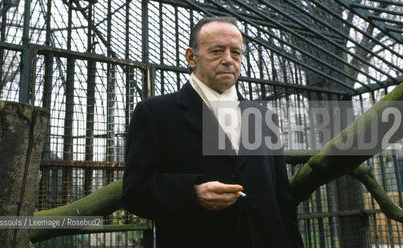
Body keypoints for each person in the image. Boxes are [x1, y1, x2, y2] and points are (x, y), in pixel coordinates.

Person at [122, 16, 304, 248]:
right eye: (217, 51)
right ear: (191, 57)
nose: (228, 60)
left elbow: (283, 201)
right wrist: (192, 193)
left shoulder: (263, 118)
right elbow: (135, 192)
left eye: (236, 53)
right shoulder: (155, 113)